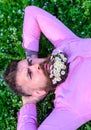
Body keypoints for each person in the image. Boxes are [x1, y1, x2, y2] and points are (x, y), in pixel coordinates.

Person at [3, 6, 91, 130]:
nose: (36, 66)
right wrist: (29, 105)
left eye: (30, 62)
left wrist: (31, 55)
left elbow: (32, 12)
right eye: (30, 74)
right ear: (38, 92)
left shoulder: (64, 45)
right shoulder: (67, 107)